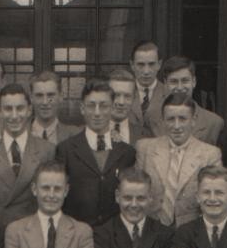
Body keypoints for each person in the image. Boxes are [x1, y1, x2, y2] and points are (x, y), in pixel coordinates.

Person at [56, 79, 136, 227]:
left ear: (112, 108)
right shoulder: (66, 150)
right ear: (82, 108)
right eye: (91, 106)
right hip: (76, 235)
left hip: (113, 238)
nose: (97, 113)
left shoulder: (127, 152)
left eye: (104, 106)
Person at [135, 93, 221, 227]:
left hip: (191, 230)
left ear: (193, 120)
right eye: (170, 119)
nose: (176, 126)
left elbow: (213, 199)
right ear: (163, 120)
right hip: (151, 229)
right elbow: (137, 193)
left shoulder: (209, 154)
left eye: (182, 119)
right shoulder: (145, 148)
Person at [0, 83, 55, 227]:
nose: (14, 116)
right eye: (8, 109)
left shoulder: (47, 150)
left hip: (32, 233)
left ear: (29, 110)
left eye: (19, 108)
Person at [146, 56, 223, 146]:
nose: (179, 87)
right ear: (165, 83)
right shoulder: (151, 118)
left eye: (185, 81)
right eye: (174, 81)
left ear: (194, 82)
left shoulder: (214, 122)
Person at [29, 71, 82, 144]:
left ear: (60, 96)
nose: (45, 102)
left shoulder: (76, 136)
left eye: (50, 95)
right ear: (31, 98)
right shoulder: (18, 134)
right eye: (39, 95)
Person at [127, 40, 163, 137]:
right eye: (140, 65)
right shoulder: (122, 93)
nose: (146, 71)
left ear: (159, 64)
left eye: (151, 64)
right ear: (132, 65)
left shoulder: (169, 95)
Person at [108, 69, 146, 145]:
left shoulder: (145, 136)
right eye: (116, 95)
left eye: (127, 96)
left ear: (134, 98)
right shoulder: (89, 132)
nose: (121, 102)